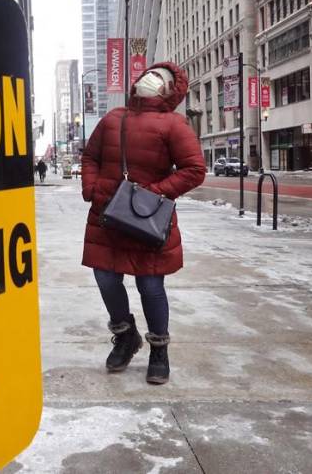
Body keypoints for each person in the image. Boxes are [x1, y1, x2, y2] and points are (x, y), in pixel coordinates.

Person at [80, 62, 205, 384]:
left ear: (170, 91)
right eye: (150, 74)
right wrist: (91, 189)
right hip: (106, 216)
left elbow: (194, 169)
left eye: (161, 78)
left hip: (148, 220)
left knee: (150, 285)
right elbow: (90, 156)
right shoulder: (113, 119)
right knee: (106, 279)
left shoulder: (174, 125)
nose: (151, 78)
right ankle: (125, 335)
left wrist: (152, 195)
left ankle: (159, 349)